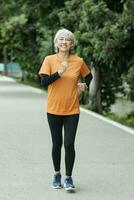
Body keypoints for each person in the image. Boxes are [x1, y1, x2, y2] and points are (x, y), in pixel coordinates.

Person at [38, 28, 93, 191]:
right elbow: (43, 82)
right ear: (56, 43)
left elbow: (89, 76)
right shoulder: (49, 60)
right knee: (57, 144)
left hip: (72, 110)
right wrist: (59, 72)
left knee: (69, 144)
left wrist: (85, 85)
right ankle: (57, 174)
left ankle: (68, 178)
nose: (64, 42)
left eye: (67, 39)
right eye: (61, 39)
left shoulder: (78, 61)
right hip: (53, 109)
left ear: (72, 44)